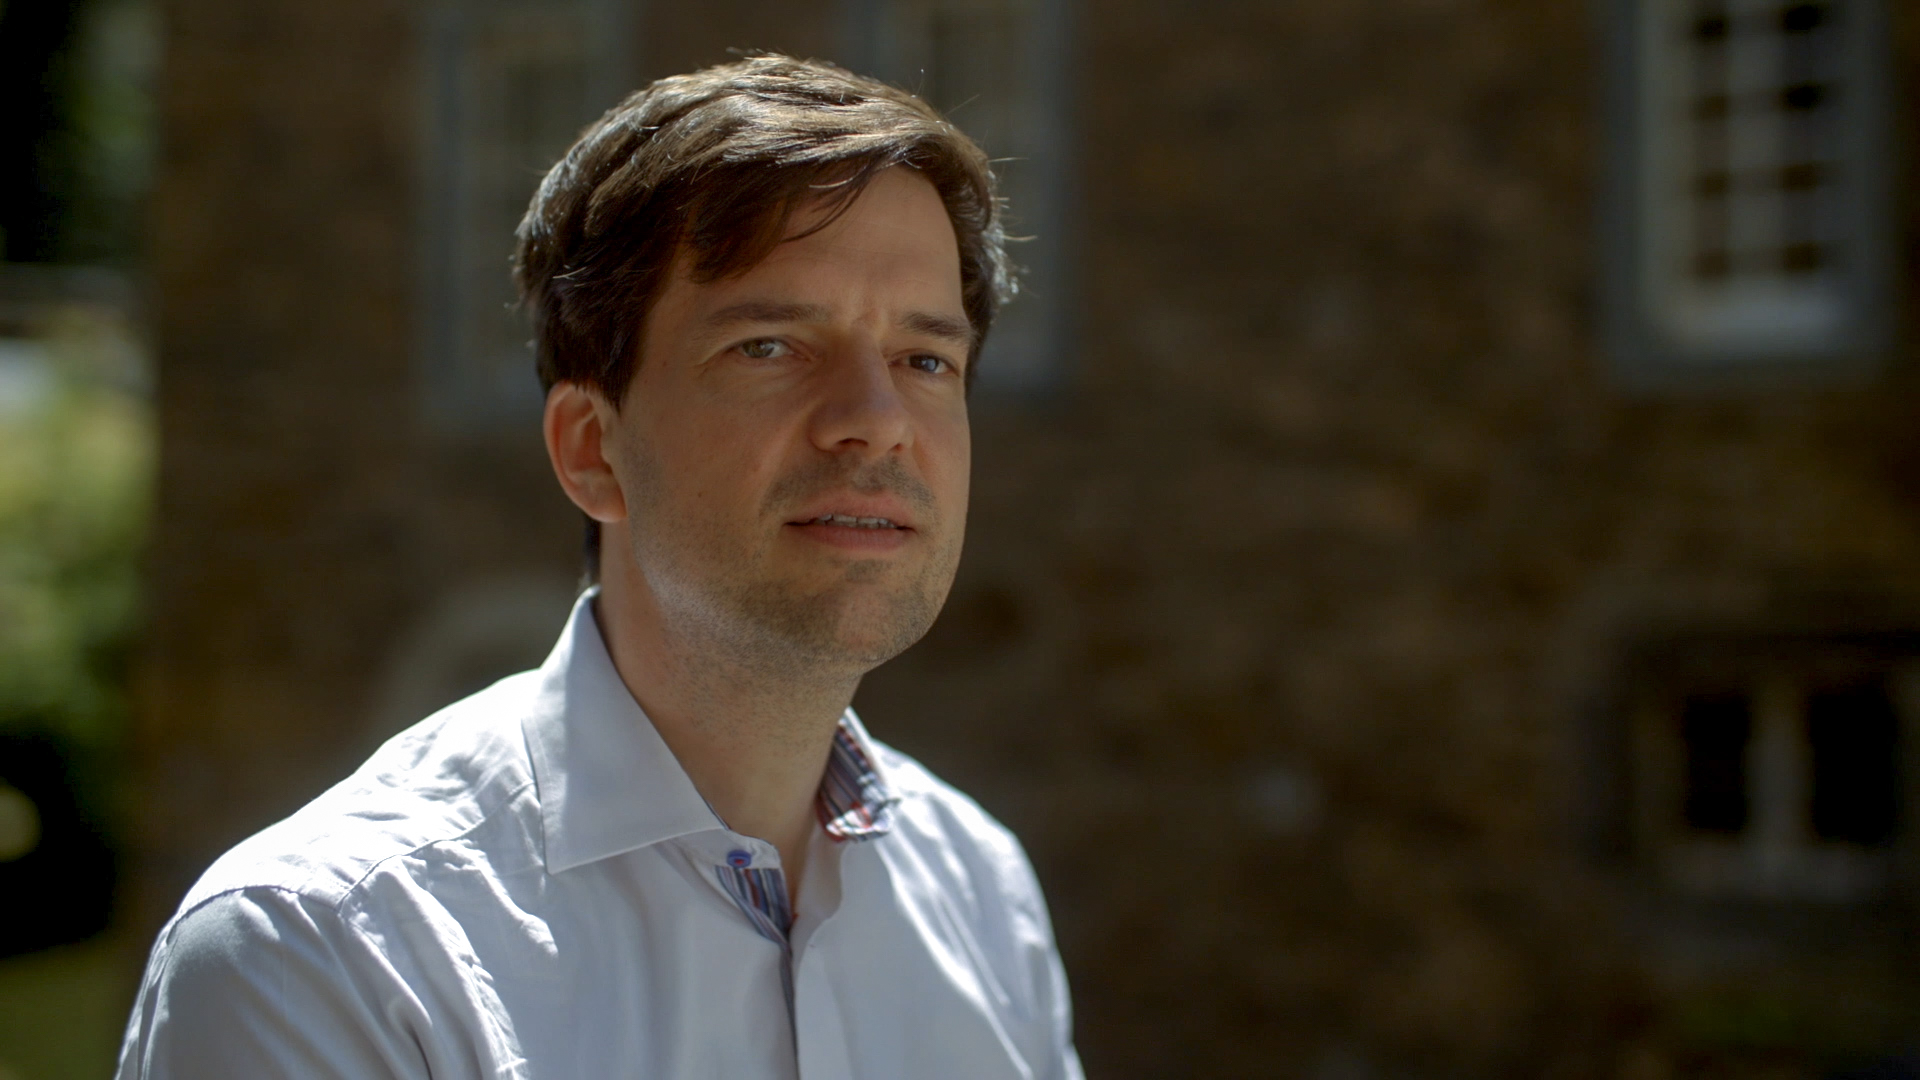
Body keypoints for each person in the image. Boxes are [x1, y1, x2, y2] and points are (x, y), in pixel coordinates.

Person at [115, 54, 1083, 1079]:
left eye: (925, 360)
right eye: (768, 346)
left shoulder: (983, 895)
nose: (877, 421)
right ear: (591, 450)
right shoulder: (322, 958)